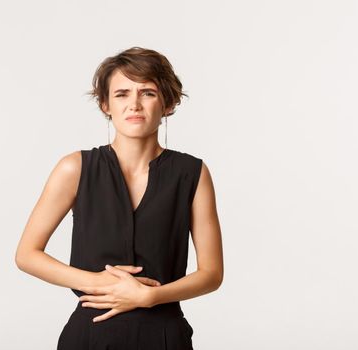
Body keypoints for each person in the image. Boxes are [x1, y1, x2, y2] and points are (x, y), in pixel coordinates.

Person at [15, 47, 224, 350]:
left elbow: (212, 273)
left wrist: (150, 296)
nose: (134, 105)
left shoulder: (192, 173)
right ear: (105, 105)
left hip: (164, 336)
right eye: (122, 94)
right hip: (90, 336)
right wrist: (98, 282)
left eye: (148, 93)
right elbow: (27, 254)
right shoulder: (75, 168)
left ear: (168, 102)